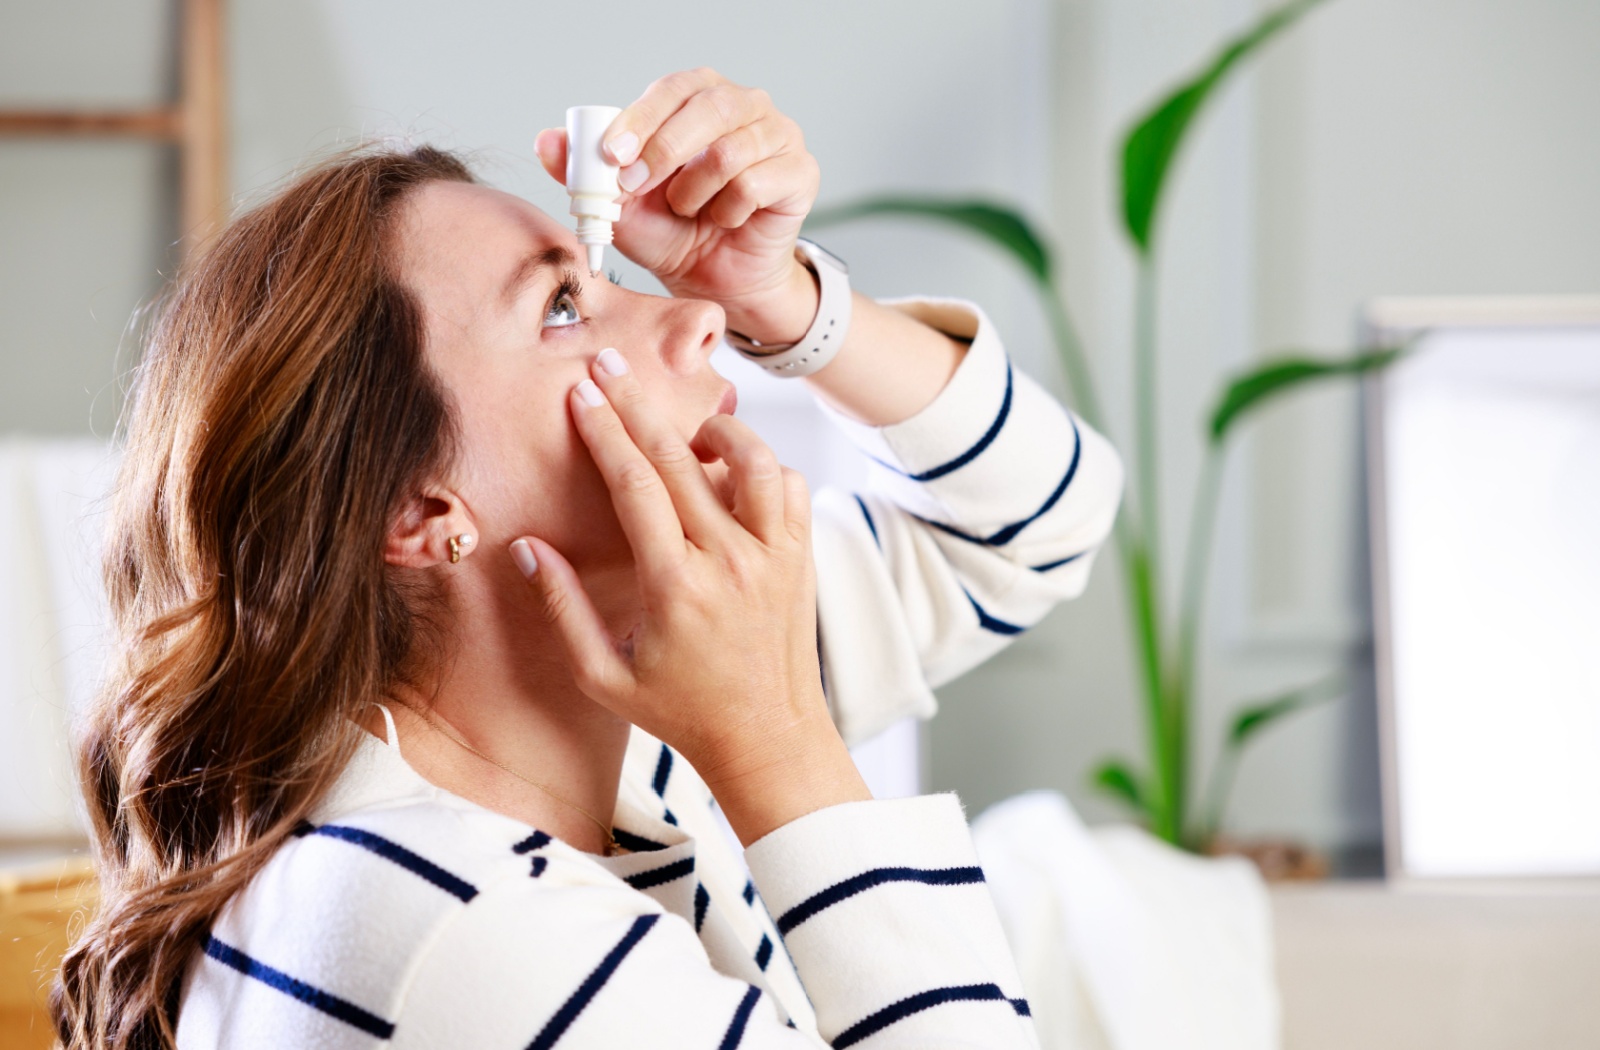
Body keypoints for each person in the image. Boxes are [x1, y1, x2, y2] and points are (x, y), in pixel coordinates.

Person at [52, 68, 1122, 1049]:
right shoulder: (453, 929)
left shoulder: (618, 705)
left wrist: (783, 298)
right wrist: (774, 738)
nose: (699, 319)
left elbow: (1043, 513)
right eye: (563, 306)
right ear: (422, 509)